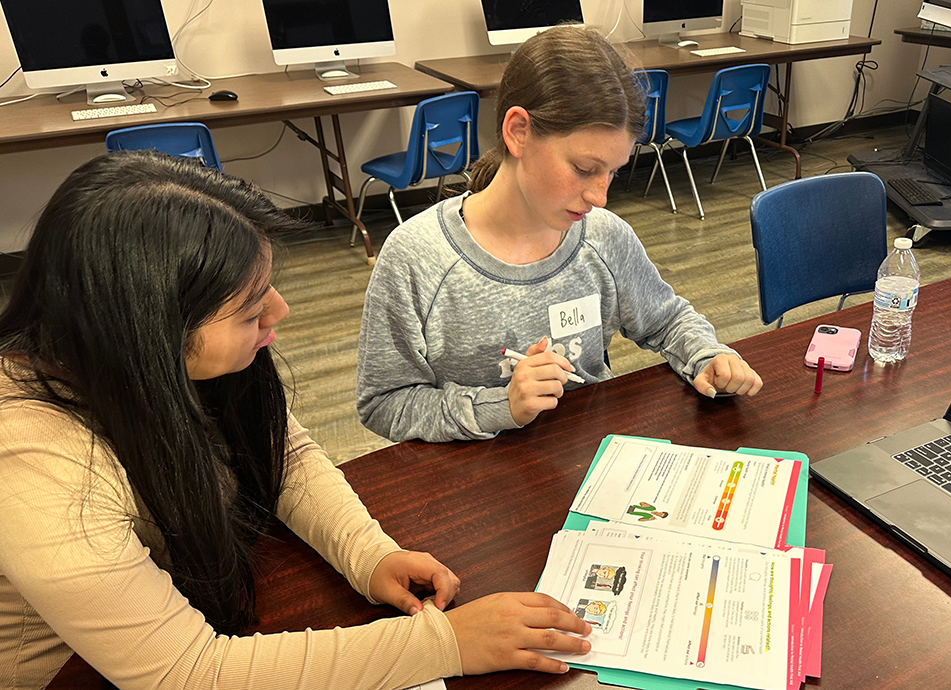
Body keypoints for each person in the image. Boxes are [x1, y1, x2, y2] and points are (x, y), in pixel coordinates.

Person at [0, 151, 590, 690]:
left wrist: (367, 552)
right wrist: (448, 643)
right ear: (148, 333)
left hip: (175, 601)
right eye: (249, 305)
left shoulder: (152, 366)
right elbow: (187, 673)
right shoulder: (36, 466)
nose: (278, 309)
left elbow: (282, 455)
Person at [357, 24, 763, 444]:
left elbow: (667, 320)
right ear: (518, 132)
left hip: (586, 467)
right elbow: (385, 402)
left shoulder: (603, 237)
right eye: (584, 170)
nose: (599, 196)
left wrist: (708, 355)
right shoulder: (415, 258)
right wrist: (501, 406)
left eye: (613, 172)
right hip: (473, 487)